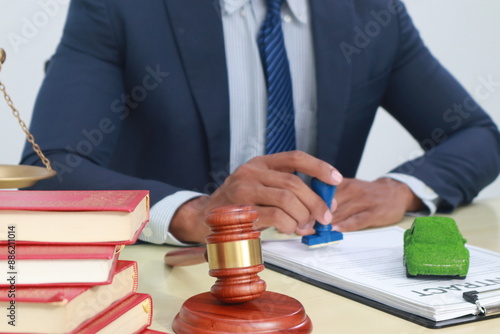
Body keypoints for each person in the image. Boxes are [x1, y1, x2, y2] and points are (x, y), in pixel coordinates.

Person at [21, 0, 500, 245]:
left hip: (325, 280)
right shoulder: (119, 8)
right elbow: (50, 167)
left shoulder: (372, 13)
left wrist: (398, 189)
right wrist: (194, 212)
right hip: (176, 283)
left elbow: (477, 135)